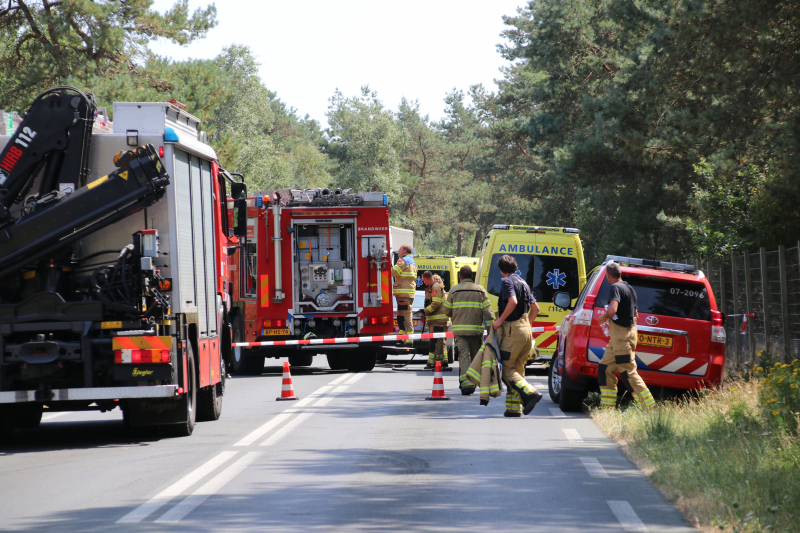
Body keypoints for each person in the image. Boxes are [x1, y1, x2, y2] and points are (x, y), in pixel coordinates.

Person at [597, 262, 655, 409]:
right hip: (623, 337)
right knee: (605, 369)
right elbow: (636, 314)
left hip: (621, 338)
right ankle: (607, 408)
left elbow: (612, 310)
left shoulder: (615, 287)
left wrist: (603, 317)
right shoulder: (630, 289)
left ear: (608, 276)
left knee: (628, 373)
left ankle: (649, 407)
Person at [492, 255, 543, 417]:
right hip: (526, 330)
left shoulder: (507, 282)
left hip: (513, 331)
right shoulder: (523, 283)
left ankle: (531, 393)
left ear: (501, 270)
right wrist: (527, 326)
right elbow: (536, 309)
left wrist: (500, 320)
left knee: (507, 370)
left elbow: (512, 302)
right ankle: (514, 408)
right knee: (518, 371)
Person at [444, 265, 494, 395]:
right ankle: (475, 382)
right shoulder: (480, 290)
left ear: (460, 277)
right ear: (471, 277)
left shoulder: (454, 291)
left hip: (460, 332)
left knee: (464, 357)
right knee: (476, 358)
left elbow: (446, 311)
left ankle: (467, 385)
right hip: (476, 332)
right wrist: (490, 333)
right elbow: (488, 313)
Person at [422, 271, 449, 369]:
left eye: (424, 280)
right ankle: (440, 361)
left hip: (437, 320)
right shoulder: (436, 287)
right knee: (439, 342)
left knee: (437, 342)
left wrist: (425, 311)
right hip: (436, 319)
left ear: (426, 279)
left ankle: (436, 363)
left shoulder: (436, 287)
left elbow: (436, 304)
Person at [392, 244, 417, 344]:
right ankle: (402, 337)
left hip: (403, 293)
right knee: (401, 315)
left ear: (405, 251)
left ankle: (409, 339)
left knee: (405, 315)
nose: (398, 251)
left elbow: (394, 272)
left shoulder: (402, 261)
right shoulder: (413, 262)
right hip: (408, 293)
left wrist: (384, 266)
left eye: (400, 249)